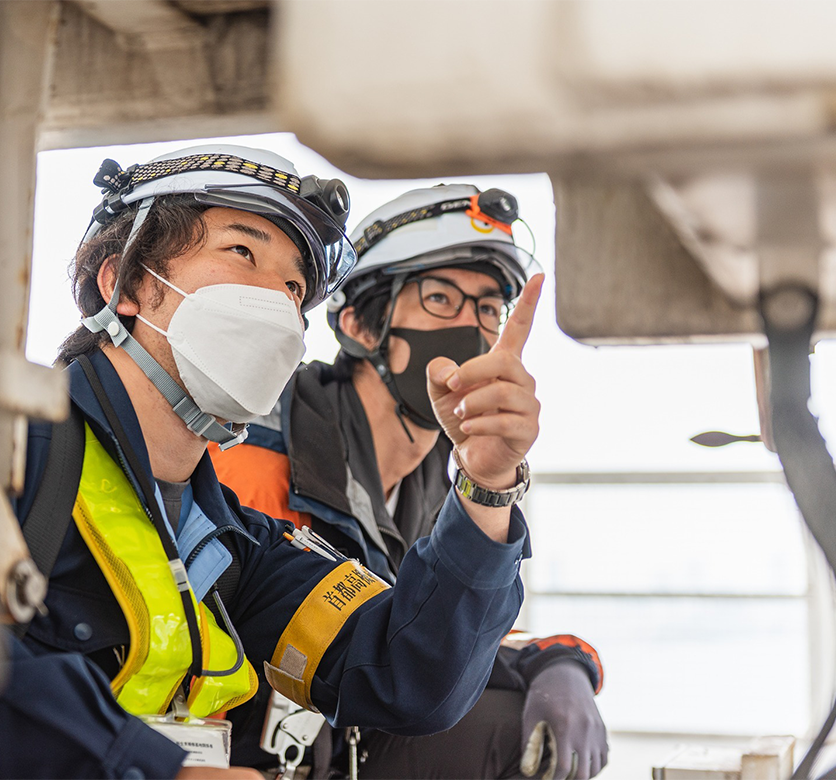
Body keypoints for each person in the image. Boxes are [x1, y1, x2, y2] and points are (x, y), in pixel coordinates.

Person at [0, 147, 541, 779]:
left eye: (295, 286)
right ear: (125, 285)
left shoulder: (232, 544)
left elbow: (409, 676)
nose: (278, 300)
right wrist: (158, 770)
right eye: (243, 254)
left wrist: (486, 485)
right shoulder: (0, 457)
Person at [211, 184, 608, 780]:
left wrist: (559, 662)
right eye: (441, 297)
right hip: (262, 753)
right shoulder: (260, 462)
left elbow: (439, 625)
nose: (472, 328)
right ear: (360, 326)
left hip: (357, 731)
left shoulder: (440, 479)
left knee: (517, 722)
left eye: (489, 309)